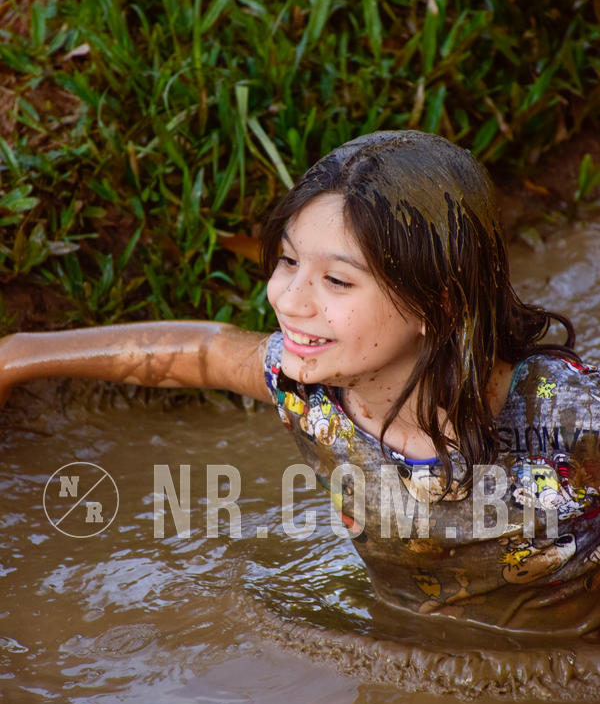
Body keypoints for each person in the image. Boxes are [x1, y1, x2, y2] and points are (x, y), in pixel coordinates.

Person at [2, 130, 600, 637]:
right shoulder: (307, 391)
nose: (288, 299)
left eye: (337, 281)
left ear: (437, 303)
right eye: (289, 262)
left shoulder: (569, 415)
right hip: (410, 640)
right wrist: (20, 355)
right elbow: (204, 355)